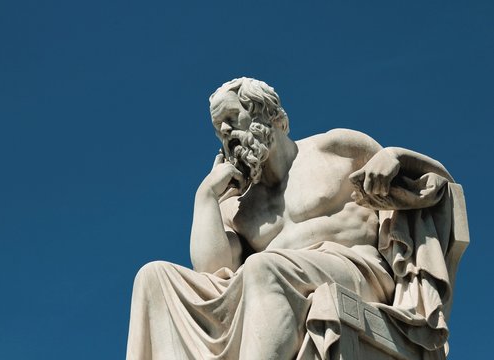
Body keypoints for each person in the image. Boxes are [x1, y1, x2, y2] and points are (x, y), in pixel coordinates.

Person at [126, 78, 455, 360]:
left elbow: (429, 186)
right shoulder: (236, 204)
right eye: (218, 129)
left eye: (230, 117)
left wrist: (394, 157)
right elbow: (212, 271)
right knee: (153, 277)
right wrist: (206, 196)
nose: (225, 131)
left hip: (357, 271)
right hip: (269, 283)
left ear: (264, 115)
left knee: (262, 267)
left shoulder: (335, 148)